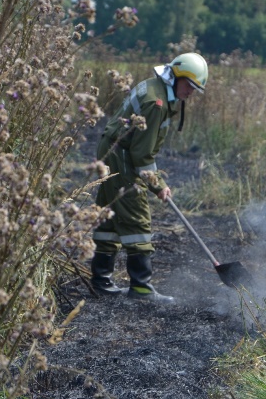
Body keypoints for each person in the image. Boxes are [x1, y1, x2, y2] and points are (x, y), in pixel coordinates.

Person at [89, 52, 209, 303]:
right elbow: (141, 154)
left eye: (196, 89)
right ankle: (141, 288)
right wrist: (158, 186)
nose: (191, 92)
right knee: (136, 216)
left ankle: (101, 282)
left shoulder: (158, 88)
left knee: (108, 214)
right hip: (120, 154)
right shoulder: (156, 103)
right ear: (177, 77)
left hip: (113, 150)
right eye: (190, 86)